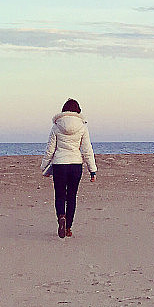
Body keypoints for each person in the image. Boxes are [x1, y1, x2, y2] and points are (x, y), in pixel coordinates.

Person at [41, 98, 97, 238]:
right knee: (71, 196)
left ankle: (61, 217)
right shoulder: (82, 127)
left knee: (60, 195)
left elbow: (50, 149)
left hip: (59, 165)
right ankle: (68, 228)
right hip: (75, 165)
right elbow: (87, 150)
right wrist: (92, 170)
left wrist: (44, 168)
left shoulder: (56, 126)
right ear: (78, 111)